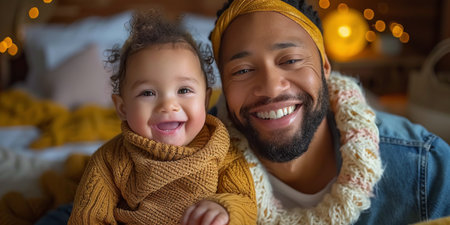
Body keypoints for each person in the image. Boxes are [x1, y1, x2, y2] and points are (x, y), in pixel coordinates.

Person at [209, 0, 450, 224]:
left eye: (290, 60)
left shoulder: (427, 170)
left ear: (325, 66)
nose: (271, 88)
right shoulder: (195, 165)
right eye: (242, 71)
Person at [67, 10, 257, 225]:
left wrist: (224, 209)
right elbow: (88, 217)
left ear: (205, 100)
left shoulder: (224, 151)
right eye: (148, 93)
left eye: (184, 90)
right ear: (122, 107)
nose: (168, 105)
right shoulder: (110, 160)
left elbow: (246, 203)